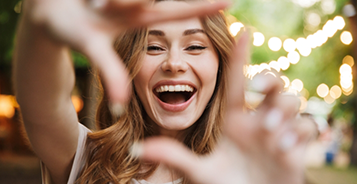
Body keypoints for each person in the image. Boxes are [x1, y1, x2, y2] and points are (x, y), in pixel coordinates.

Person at [13, 0, 316, 184]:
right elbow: (44, 102)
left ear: (221, 67)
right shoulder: (84, 158)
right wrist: (39, 30)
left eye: (195, 46)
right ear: (129, 65)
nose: (173, 63)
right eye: (153, 47)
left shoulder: (248, 170)